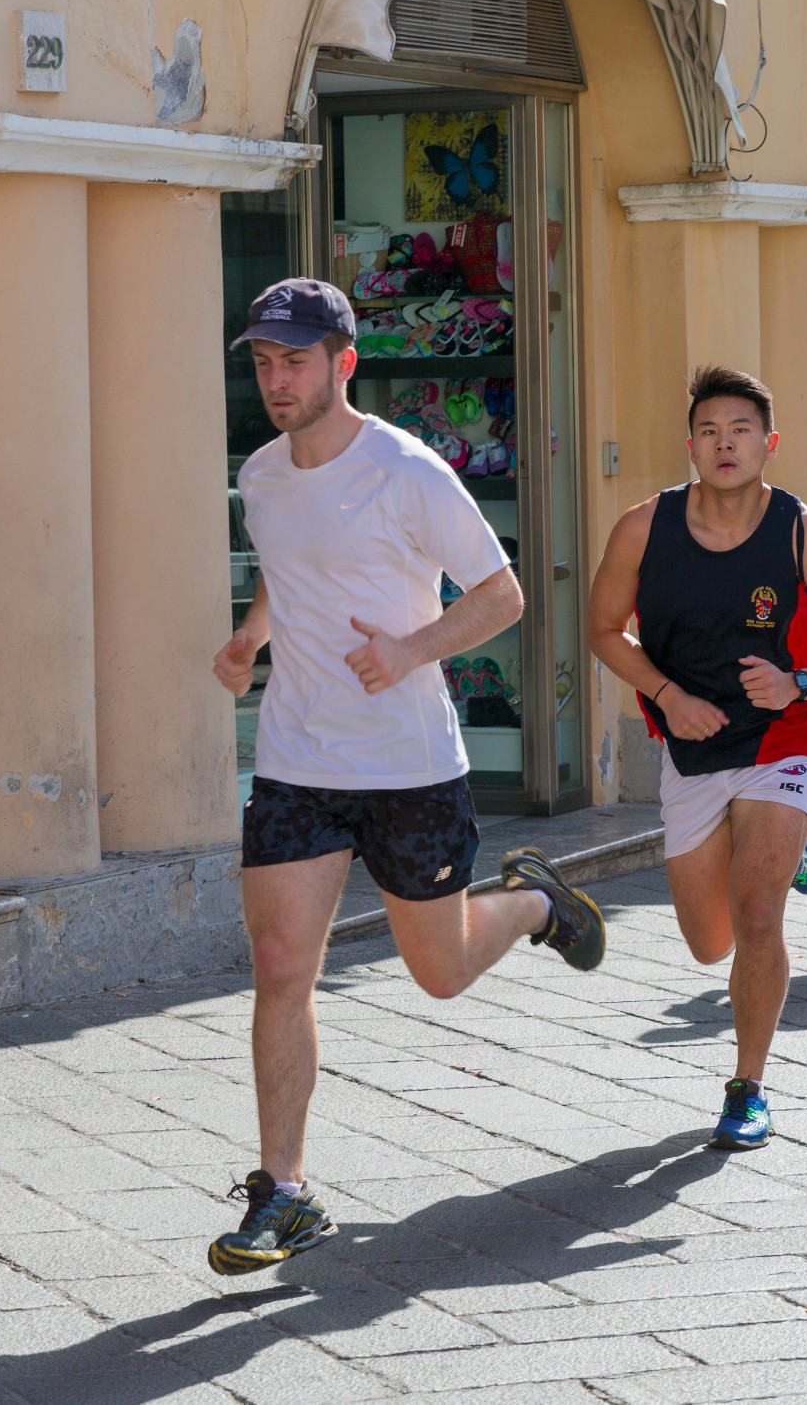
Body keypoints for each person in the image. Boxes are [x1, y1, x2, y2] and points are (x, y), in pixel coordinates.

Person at [209, 279, 606, 1274]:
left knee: (437, 972)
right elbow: (286, 566)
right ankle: (284, 1192)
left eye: (293, 361)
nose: (275, 379)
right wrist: (252, 637)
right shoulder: (259, 475)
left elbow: (501, 593)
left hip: (408, 765)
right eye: (262, 361)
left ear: (343, 364)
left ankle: (526, 905)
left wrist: (410, 647)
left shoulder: (406, 471)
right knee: (277, 963)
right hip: (298, 759)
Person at [588, 365, 807, 1150]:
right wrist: (664, 693)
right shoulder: (642, 528)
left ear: (769, 443)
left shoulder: (806, 534)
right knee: (709, 941)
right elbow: (601, 629)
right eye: (709, 432)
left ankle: (747, 1086)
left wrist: (800, 682)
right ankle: (784, 851)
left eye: (741, 431)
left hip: (782, 741)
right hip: (691, 750)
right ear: (690, 444)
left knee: (758, 916)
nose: (725, 445)